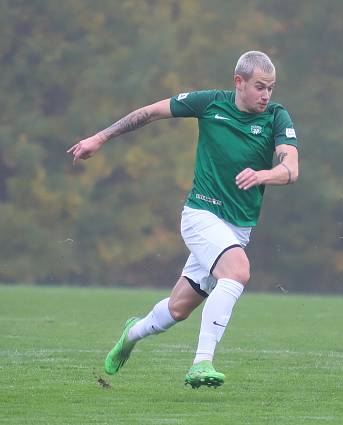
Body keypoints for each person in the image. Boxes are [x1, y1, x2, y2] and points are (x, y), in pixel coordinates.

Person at [67, 51, 299, 388]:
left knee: (177, 310)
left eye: (271, 88)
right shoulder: (209, 104)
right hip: (200, 215)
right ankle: (201, 363)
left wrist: (266, 174)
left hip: (236, 229)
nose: (266, 95)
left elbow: (291, 168)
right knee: (237, 272)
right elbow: (149, 113)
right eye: (259, 87)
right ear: (239, 82)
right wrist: (99, 137)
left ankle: (130, 335)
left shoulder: (277, 117)